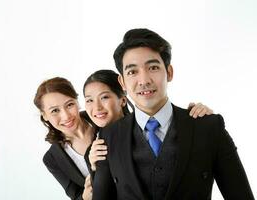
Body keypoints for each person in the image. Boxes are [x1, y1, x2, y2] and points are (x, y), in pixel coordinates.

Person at [92, 29, 254, 199]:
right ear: (122, 82)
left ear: (169, 72)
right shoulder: (109, 136)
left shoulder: (208, 127)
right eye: (132, 72)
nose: (144, 80)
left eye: (153, 67)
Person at [83, 69, 213, 172]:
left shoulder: (154, 124)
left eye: (104, 97)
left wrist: (199, 118)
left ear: (123, 100)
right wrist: (96, 168)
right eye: (89, 100)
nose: (97, 107)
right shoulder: (94, 151)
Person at [34, 77, 97, 200]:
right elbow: (75, 195)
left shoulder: (100, 119)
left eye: (69, 105)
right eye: (55, 111)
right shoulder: (52, 159)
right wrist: (85, 197)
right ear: (44, 115)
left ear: (77, 102)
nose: (66, 116)